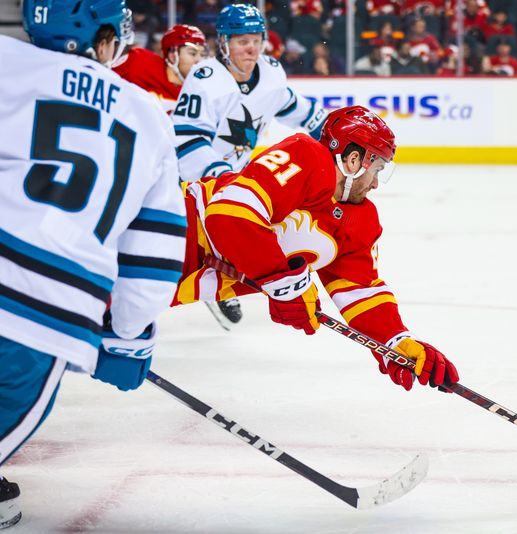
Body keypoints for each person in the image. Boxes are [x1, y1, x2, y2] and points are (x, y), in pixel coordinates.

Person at [0, 0, 187, 528]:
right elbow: (152, 251)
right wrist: (128, 335)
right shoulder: (148, 115)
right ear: (103, 39)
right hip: (44, 311)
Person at [173, 106, 459, 392]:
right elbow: (229, 215)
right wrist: (285, 283)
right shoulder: (307, 156)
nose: (374, 183)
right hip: (169, 227)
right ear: (354, 159)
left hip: (179, 283)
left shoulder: (360, 220)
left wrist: (395, 342)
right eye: (377, 170)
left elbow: (361, 289)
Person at [172, 3, 327, 328]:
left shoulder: (270, 73)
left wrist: (334, 132)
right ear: (224, 43)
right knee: (175, 257)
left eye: (257, 39)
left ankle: (221, 282)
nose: (252, 47)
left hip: (230, 183)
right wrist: (222, 177)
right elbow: (186, 142)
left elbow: (297, 108)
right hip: (185, 186)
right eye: (243, 40)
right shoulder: (206, 79)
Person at [113, 23, 207, 113]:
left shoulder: (198, 93)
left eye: (202, 55)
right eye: (192, 53)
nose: (199, 60)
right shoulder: (139, 61)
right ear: (172, 55)